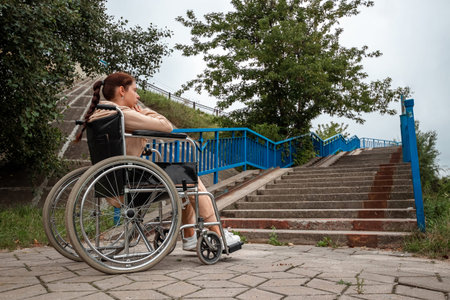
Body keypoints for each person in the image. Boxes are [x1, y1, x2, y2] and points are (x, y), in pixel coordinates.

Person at [76, 72, 240, 250]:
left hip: (112, 184)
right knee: (190, 179)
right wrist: (144, 111)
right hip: (130, 186)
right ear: (122, 90)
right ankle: (217, 232)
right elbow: (166, 126)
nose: (138, 96)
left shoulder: (100, 114)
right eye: (135, 90)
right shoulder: (123, 114)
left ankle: (190, 237)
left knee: (182, 181)